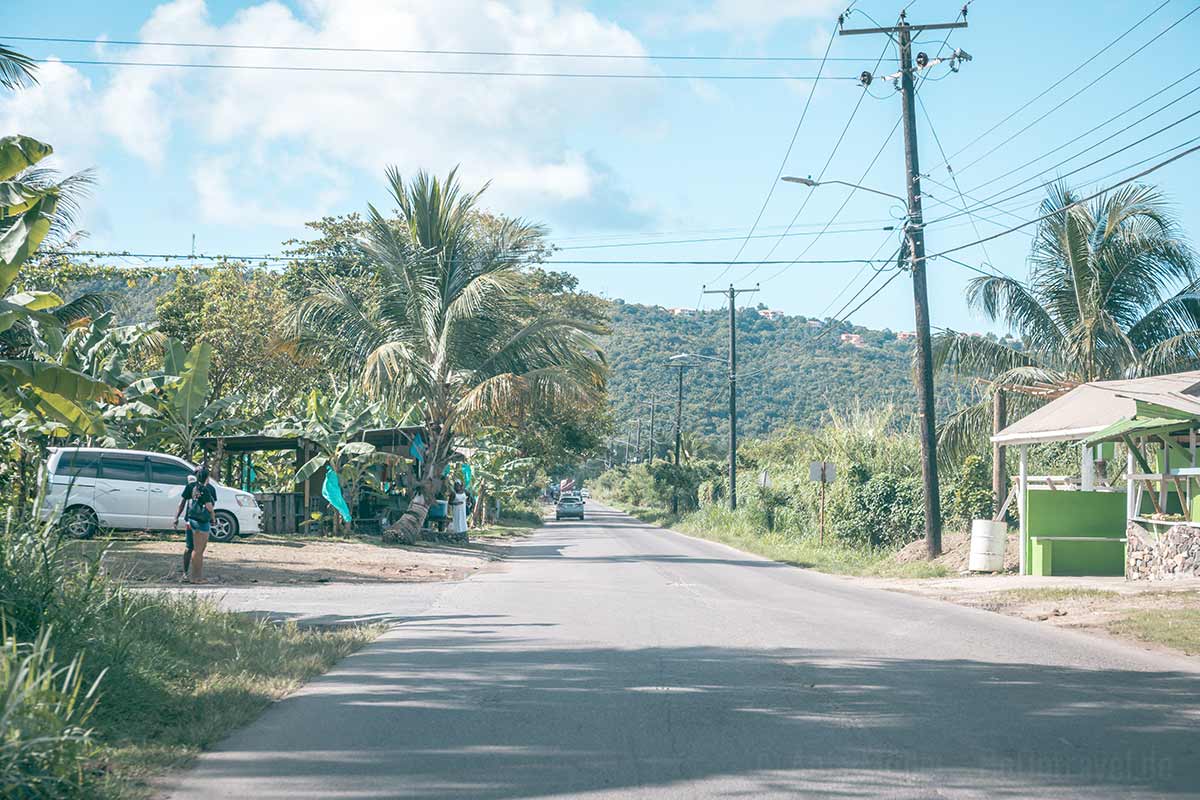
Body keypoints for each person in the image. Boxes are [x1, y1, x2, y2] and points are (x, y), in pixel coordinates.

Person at [179, 467, 217, 584]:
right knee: (198, 550)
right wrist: (213, 518)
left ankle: (189, 575)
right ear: (207, 477)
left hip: (191, 519)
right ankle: (196, 577)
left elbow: (183, 502)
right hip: (201, 521)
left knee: (191, 548)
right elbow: (210, 507)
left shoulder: (193, 487)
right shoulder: (206, 489)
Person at [173, 474, 198, 579]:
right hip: (193, 521)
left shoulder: (208, 488)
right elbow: (182, 503)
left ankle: (193, 573)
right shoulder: (190, 487)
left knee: (195, 549)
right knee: (191, 547)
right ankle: (187, 572)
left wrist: (176, 517)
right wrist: (176, 517)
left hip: (198, 521)